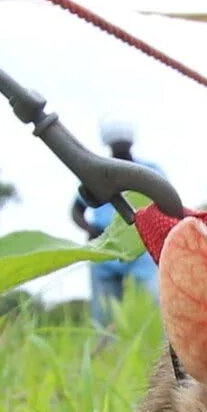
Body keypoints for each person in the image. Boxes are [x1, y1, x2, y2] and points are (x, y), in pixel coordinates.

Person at [72, 119, 162, 326]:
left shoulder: (149, 171)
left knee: (155, 304)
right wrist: (90, 229)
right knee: (104, 313)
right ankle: (106, 351)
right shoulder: (95, 173)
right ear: (108, 144)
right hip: (105, 249)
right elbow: (76, 211)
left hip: (143, 247)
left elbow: (166, 201)